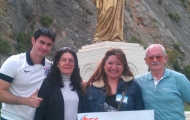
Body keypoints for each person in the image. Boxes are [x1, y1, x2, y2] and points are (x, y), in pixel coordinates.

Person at [0, 28, 56, 120]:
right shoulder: (14, 62)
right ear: (33, 41)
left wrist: (84, 82)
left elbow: (67, 79)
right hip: (11, 117)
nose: (44, 47)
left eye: (48, 44)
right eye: (41, 42)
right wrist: (25, 101)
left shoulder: (51, 67)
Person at [135, 44, 190, 120]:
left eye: (158, 57)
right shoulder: (138, 81)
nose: (155, 60)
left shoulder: (179, 79)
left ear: (165, 58)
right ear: (146, 61)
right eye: (151, 58)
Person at [82, 48, 144, 112]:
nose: (114, 67)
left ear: (124, 67)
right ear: (104, 65)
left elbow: (140, 112)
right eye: (110, 63)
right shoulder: (91, 88)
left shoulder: (133, 86)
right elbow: (85, 113)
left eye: (118, 64)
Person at [34, 47, 83, 120]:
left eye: (71, 60)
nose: (67, 63)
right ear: (57, 63)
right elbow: (40, 112)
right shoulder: (48, 83)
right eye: (63, 60)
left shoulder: (79, 85)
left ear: (75, 64)